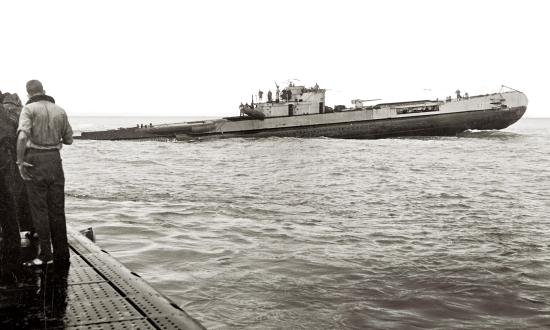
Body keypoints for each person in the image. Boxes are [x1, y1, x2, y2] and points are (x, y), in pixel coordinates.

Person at [16, 80, 73, 267]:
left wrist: (20, 162)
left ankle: (46, 256)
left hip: (35, 160)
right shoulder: (60, 110)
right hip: (55, 161)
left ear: (28, 94)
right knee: (57, 209)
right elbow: (69, 139)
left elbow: (23, 135)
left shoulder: (29, 109)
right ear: (44, 91)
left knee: (39, 209)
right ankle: (63, 254)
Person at [0, 98, 22, 281]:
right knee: (9, 213)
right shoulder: (8, 116)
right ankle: (13, 265)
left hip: (5, 166)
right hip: (5, 168)